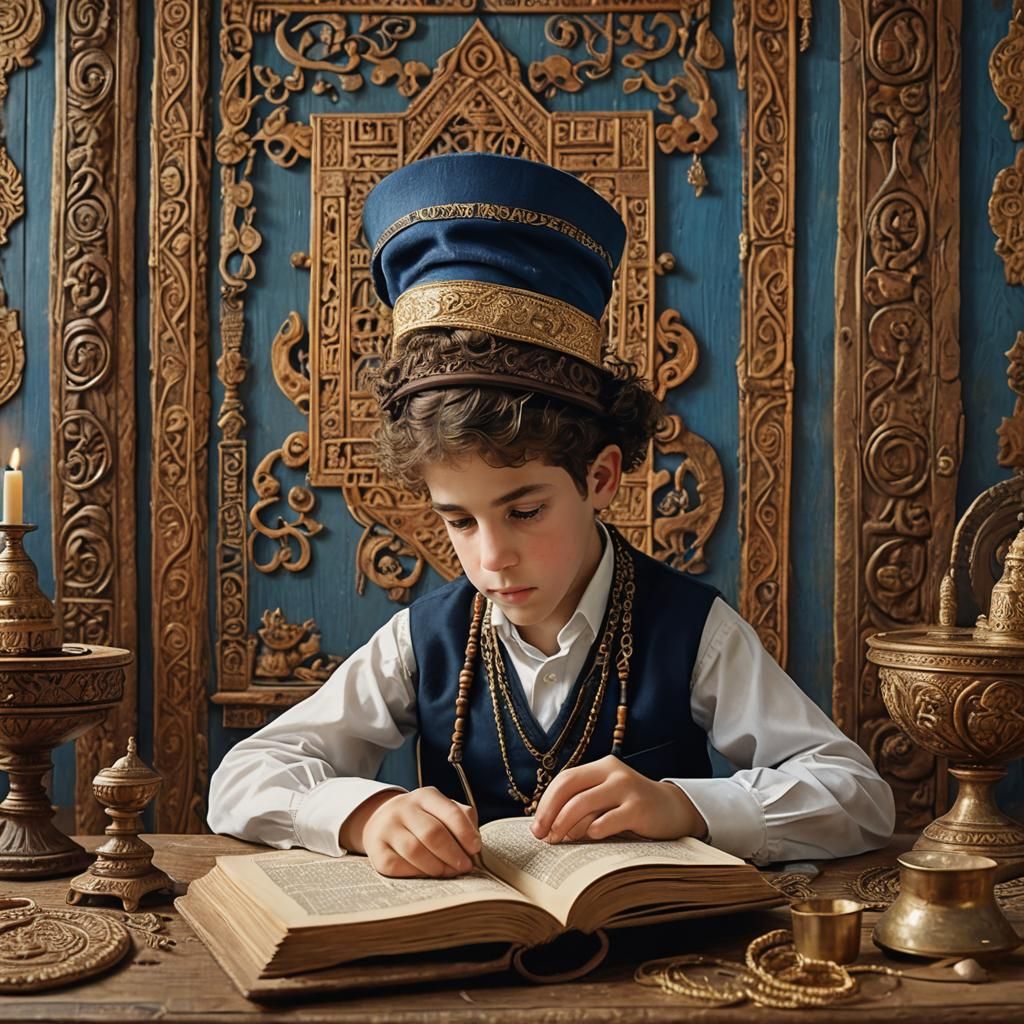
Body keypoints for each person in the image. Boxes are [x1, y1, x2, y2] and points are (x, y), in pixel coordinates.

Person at [208, 153, 895, 879]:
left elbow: (858, 797)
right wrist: (366, 812)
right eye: (459, 521)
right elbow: (243, 777)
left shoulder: (693, 631)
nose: (492, 558)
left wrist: (685, 806)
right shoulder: (422, 641)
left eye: (526, 510)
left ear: (600, 477)